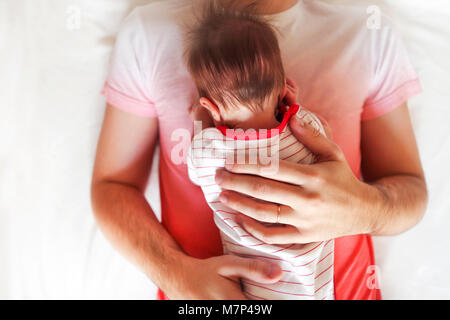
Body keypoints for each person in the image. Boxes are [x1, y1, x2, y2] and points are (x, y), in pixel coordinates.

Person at [91, 0, 427, 300]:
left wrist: (362, 209)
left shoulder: (365, 33)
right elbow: (112, 187)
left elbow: (410, 190)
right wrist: (178, 276)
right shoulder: (149, 33)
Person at [186, 4, 332, 300]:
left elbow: (194, 172)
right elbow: (327, 138)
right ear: (282, 89)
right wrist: (295, 107)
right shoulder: (304, 129)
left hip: (259, 286)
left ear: (210, 107)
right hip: (314, 279)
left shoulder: (210, 149)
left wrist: (199, 122)